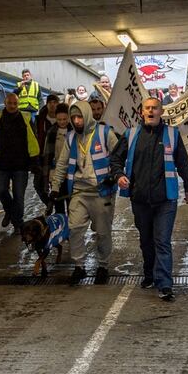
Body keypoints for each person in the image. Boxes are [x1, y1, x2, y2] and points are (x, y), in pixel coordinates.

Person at [111, 96, 188, 302]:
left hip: (165, 199)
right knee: (146, 241)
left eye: (154, 108)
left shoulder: (172, 134)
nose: (150, 111)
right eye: (147, 108)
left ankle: (165, 284)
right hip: (140, 199)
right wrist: (119, 175)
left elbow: (183, 163)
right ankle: (150, 274)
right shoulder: (131, 135)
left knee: (162, 241)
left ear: (161, 111)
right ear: (142, 112)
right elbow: (115, 159)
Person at [49, 100, 120, 284]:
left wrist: (115, 176)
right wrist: (55, 187)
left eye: (79, 117)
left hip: (102, 193)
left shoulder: (105, 133)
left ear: (87, 116)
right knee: (74, 229)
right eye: (73, 118)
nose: (76, 121)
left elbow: (120, 157)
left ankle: (103, 266)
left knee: (102, 232)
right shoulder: (71, 138)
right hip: (79, 192)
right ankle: (79, 266)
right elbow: (62, 164)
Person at [0, 93, 40, 231]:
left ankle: (18, 224)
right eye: (10, 103)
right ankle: (10, 211)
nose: (12, 106)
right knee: (1, 190)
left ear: (18, 104)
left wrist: (34, 161)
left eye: (15, 103)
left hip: (21, 165)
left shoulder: (26, 119)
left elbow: (33, 140)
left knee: (19, 196)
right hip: (1, 164)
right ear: (5, 103)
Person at [41, 103, 71, 215]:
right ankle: (61, 223)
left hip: (71, 173)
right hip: (56, 173)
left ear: (69, 117)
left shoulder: (74, 131)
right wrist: (46, 179)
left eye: (64, 119)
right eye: (59, 119)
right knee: (58, 205)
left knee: (72, 205)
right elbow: (47, 157)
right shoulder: (52, 132)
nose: (62, 122)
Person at [33, 94, 60, 208]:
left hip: (59, 157)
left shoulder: (63, 119)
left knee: (57, 185)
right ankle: (49, 203)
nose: (52, 105)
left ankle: (58, 209)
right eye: (50, 102)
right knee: (38, 184)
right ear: (47, 104)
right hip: (42, 156)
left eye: (55, 102)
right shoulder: (40, 119)